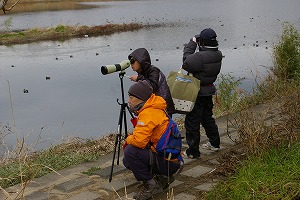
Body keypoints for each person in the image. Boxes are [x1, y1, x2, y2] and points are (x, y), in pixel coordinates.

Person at [123, 80, 182, 200]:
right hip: (172, 158)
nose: (129, 101)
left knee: (130, 152)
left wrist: (128, 139)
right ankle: (163, 177)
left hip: (169, 162)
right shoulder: (155, 107)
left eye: (131, 98)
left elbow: (139, 142)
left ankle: (150, 185)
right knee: (127, 160)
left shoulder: (148, 114)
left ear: (141, 98)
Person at [182, 28, 223, 159]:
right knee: (207, 119)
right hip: (208, 91)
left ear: (203, 42)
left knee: (192, 122)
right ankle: (215, 143)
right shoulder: (217, 54)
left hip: (197, 93)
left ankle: (193, 152)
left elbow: (186, 63)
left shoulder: (200, 56)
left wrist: (192, 43)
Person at [128, 48, 175, 116]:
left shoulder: (154, 70)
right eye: (130, 62)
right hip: (155, 105)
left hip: (163, 106)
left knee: (163, 126)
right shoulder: (142, 72)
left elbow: (152, 87)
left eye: (132, 61)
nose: (131, 65)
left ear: (140, 60)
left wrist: (138, 78)